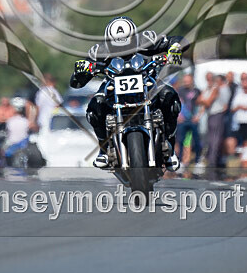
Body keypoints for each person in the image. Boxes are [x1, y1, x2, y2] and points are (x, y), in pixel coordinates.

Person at [69, 16, 183, 170]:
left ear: (133, 38)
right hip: (112, 86)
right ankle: (103, 150)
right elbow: (76, 82)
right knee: (94, 108)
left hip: (147, 81)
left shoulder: (147, 39)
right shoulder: (98, 51)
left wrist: (175, 47)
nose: (122, 51)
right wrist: (82, 70)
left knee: (170, 97)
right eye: (117, 47)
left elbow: (176, 40)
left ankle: (170, 147)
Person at [200, 74, 231, 170]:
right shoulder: (216, 89)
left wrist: (203, 100)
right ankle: (212, 160)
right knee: (212, 138)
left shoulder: (219, 89)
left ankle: (213, 161)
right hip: (213, 115)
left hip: (217, 114)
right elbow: (199, 100)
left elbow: (207, 102)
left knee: (215, 139)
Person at [175, 74, 201, 166]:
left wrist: (198, 116)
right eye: (185, 81)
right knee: (180, 140)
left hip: (193, 119)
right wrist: (178, 116)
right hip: (183, 120)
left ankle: (198, 160)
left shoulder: (197, 91)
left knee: (196, 140)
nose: (186, 83)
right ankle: (181, 161)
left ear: (192, 81)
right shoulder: (180, 91)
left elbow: (201, 105)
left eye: (188, 81)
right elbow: (177, 104)